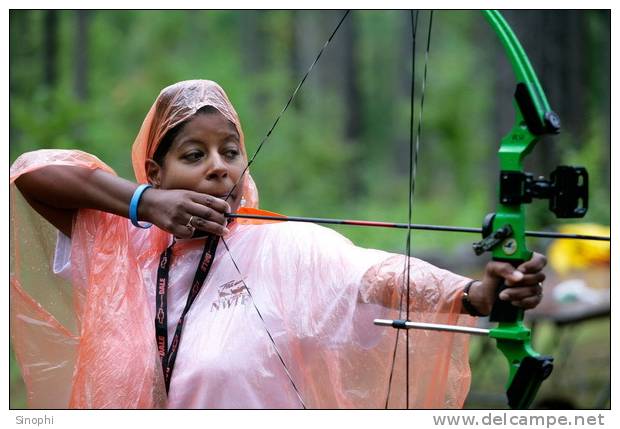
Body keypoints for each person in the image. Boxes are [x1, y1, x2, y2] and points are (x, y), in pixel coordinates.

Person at [9, 79, 546, 409]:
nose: (219, 167)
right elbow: (32, 173)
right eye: (194, 155)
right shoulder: (122, 246)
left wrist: (477, 293)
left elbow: (373, 276)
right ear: (157, 170)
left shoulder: (281, 247)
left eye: (230, 151)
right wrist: (144, 204)